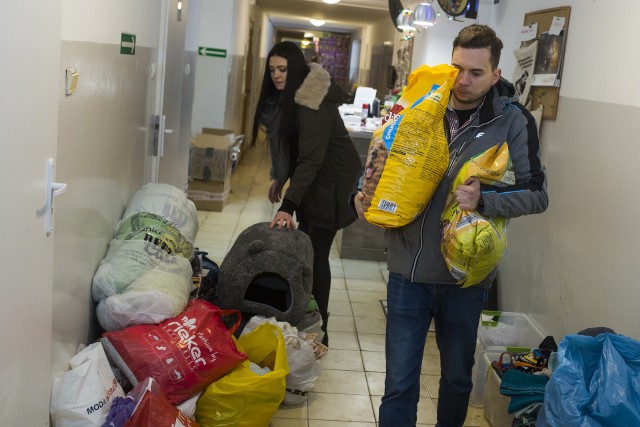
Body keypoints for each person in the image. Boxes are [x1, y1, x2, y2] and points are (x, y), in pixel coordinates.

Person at [352, 24, 548, 426]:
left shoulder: (513, 122)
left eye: (476, 73)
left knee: (457, 381)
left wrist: (486, 200)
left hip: (465, 279)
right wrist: (362, 189)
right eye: (457, 68)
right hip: (407, 269)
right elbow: (384, 157)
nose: (463, 80)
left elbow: (537, 194)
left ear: (495, 75)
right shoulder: (424, 104)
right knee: (399, 382)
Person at [251, 41, 361, 347]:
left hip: (334, 185)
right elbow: (292, 146)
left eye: (283, 69)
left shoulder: (314, 98)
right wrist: (280, 178)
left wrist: (288, 204)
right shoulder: (291, 97)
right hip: (314, 181)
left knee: (317, 255)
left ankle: (320, 328)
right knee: (307, 252)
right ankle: (307, 317)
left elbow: (311, 157)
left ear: (296, 68)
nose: (276, 75)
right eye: (272, 70)